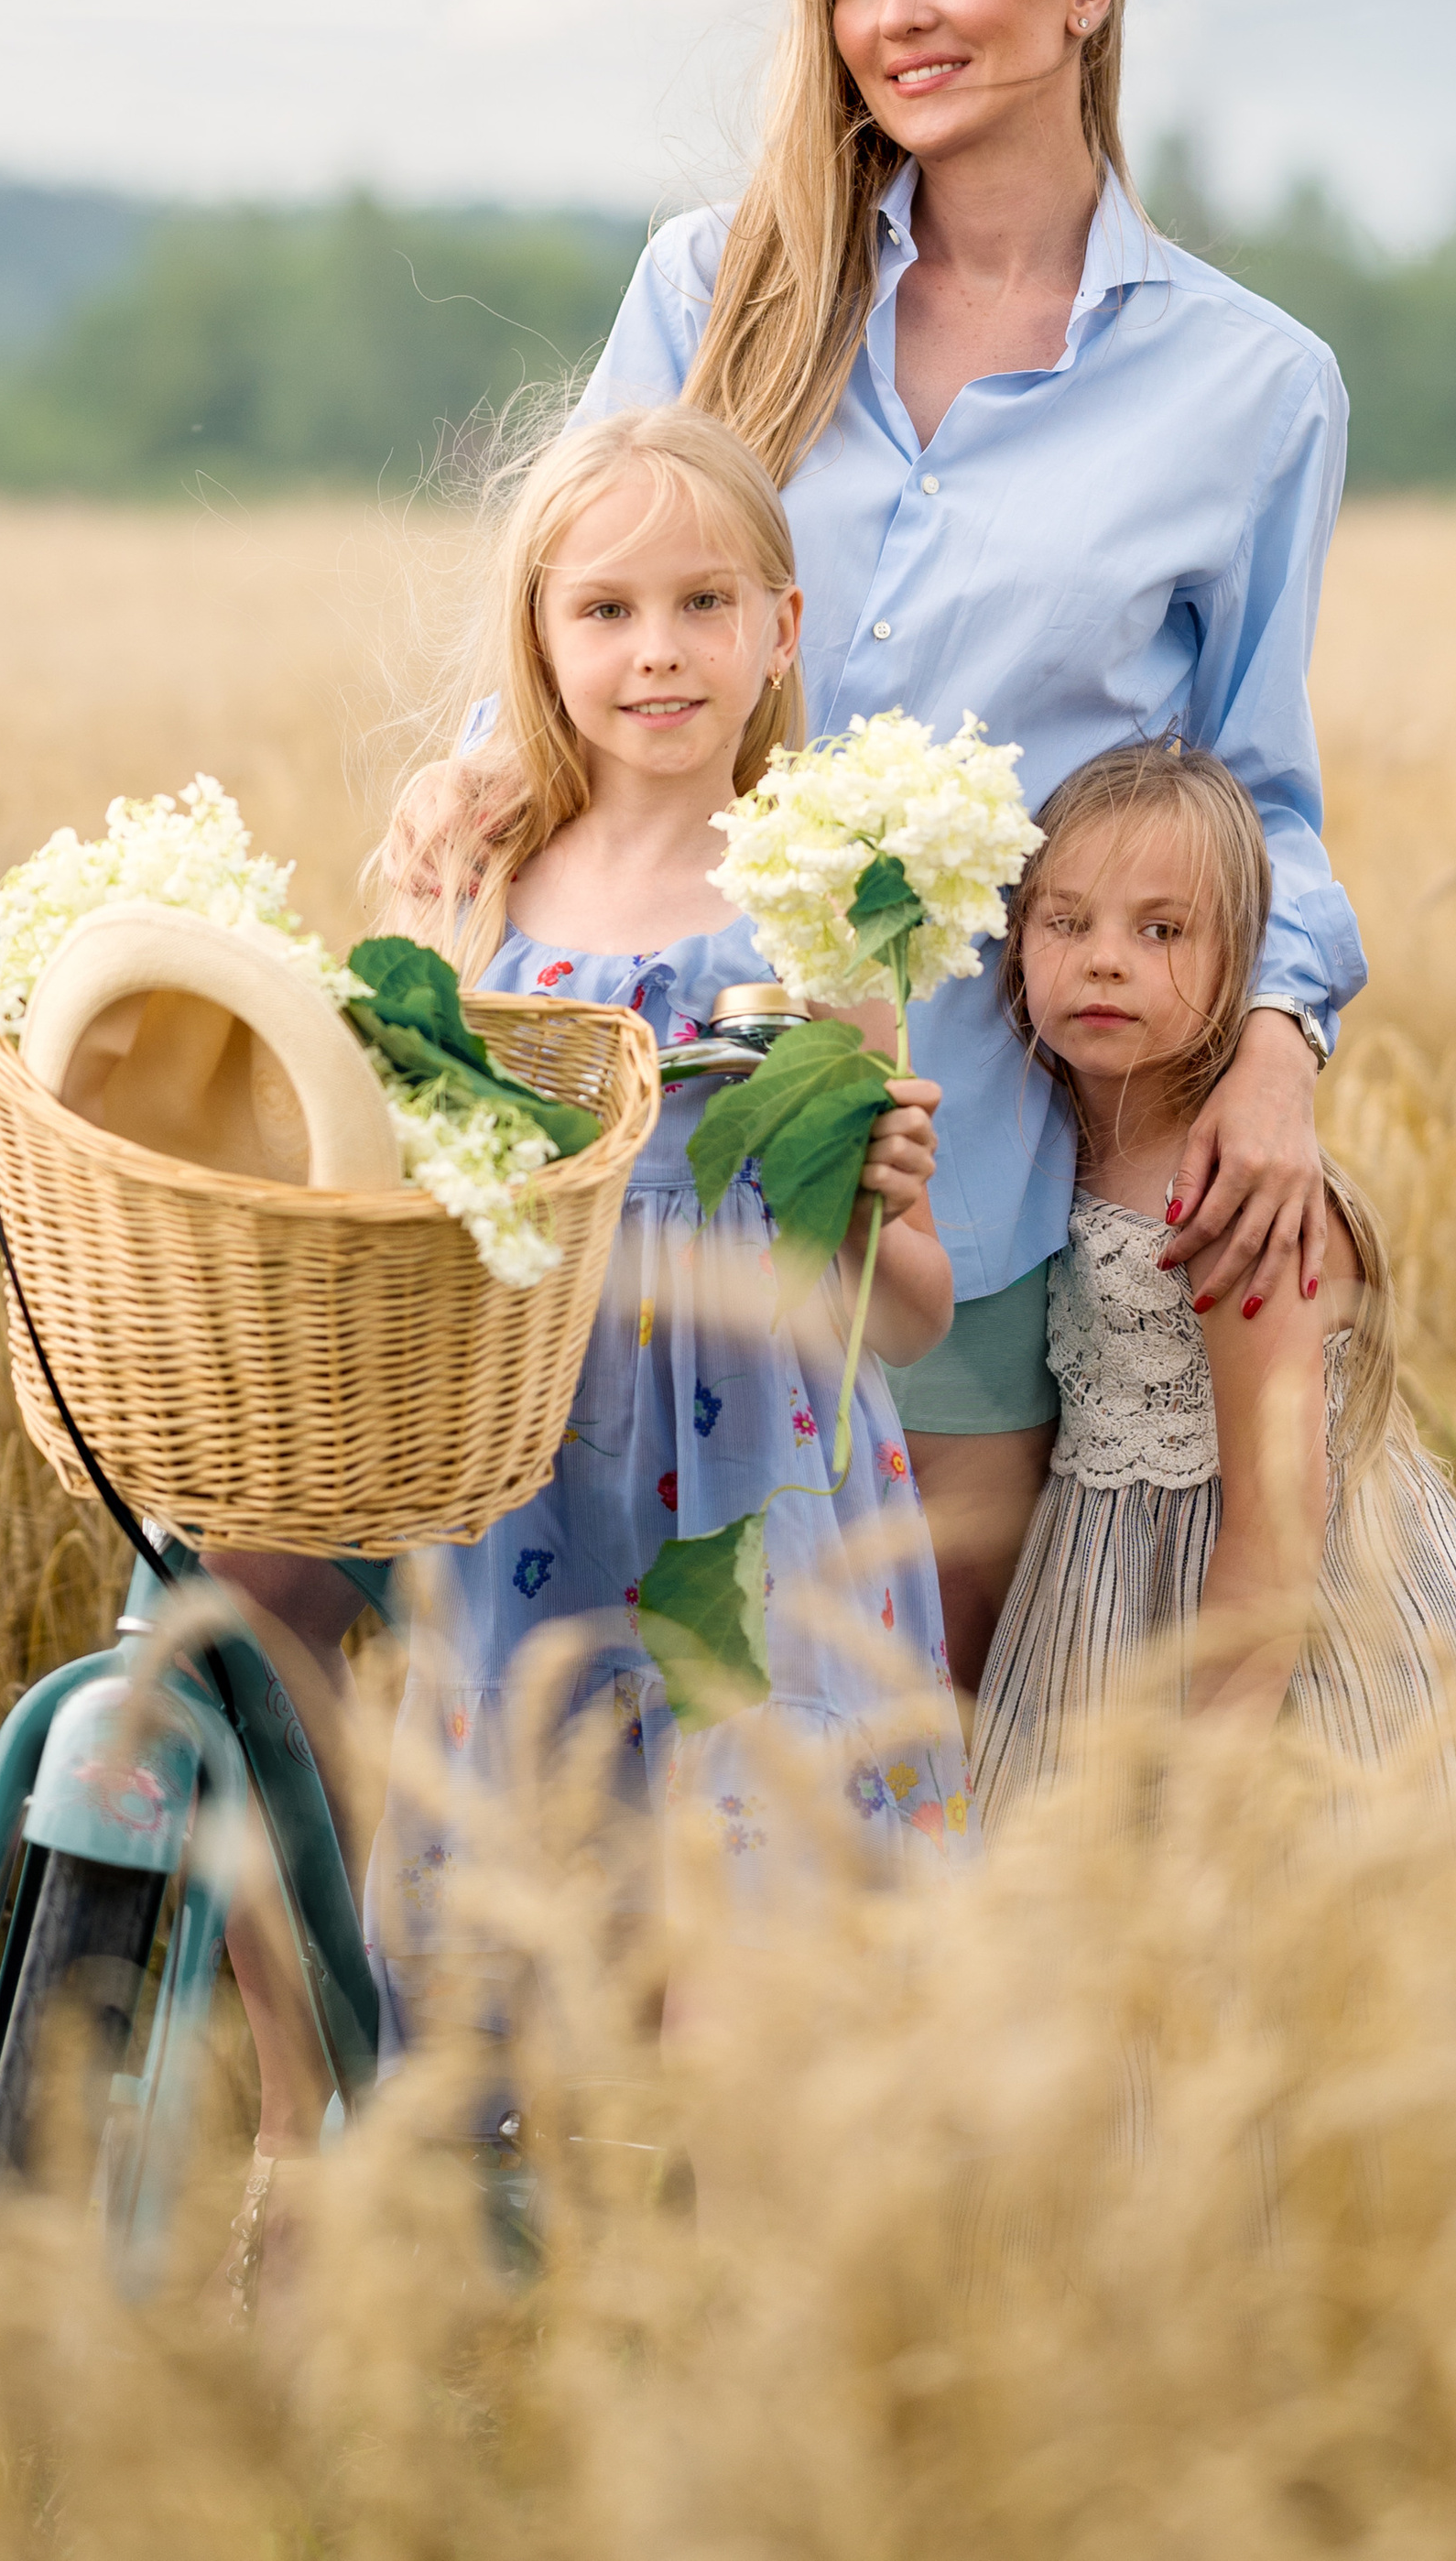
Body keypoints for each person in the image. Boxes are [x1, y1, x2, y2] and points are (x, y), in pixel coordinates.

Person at [395, 0, 1366, 1689]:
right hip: (634, 1156)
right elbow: (575, 607)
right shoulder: (715, 288)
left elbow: (1253, 791)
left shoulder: (1254, 388)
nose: (897, 12)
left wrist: (1277, 1044)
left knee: (906, 1762)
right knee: (581, 1730)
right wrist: (474, 770)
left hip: (961, 1182)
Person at [359, 399, 972, 2071]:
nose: (659, 650)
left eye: (707, 603)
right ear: (541, 637)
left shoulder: (820, 911)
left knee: (746, 1991)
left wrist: (879, 1203)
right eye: (608, 608)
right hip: (535, 1495)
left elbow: (906, 1316)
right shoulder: (482, 893)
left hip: (764, 1517)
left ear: (783, 627)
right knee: (538, 1974)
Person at [968, 743, 1456, 1837]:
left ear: (1244, 960)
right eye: (1065, 921)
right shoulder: (1037, 1145)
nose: (1105, 961)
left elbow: (1272, 1533)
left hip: (1275, 1646)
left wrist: (1207, 1787)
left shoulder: (1235, 1200)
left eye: (1161, 930)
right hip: (1103, 1604)